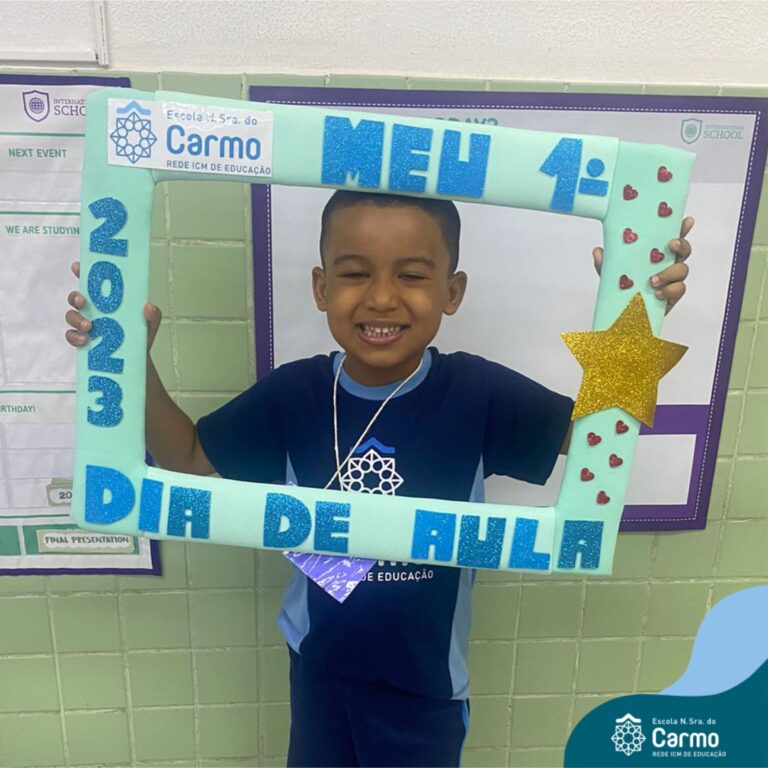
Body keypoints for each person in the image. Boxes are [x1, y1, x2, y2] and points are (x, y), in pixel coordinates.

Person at [66, 191, 692, 767]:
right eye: (355, 273)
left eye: (412, 275)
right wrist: (128, 359)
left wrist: (637, 312)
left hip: (424, 688)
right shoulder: (295, 395)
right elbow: (187, 459)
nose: (382, 298)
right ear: (321, 287)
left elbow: (596, 440)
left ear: (452, 291)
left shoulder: (476, 394)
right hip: (318, 669)